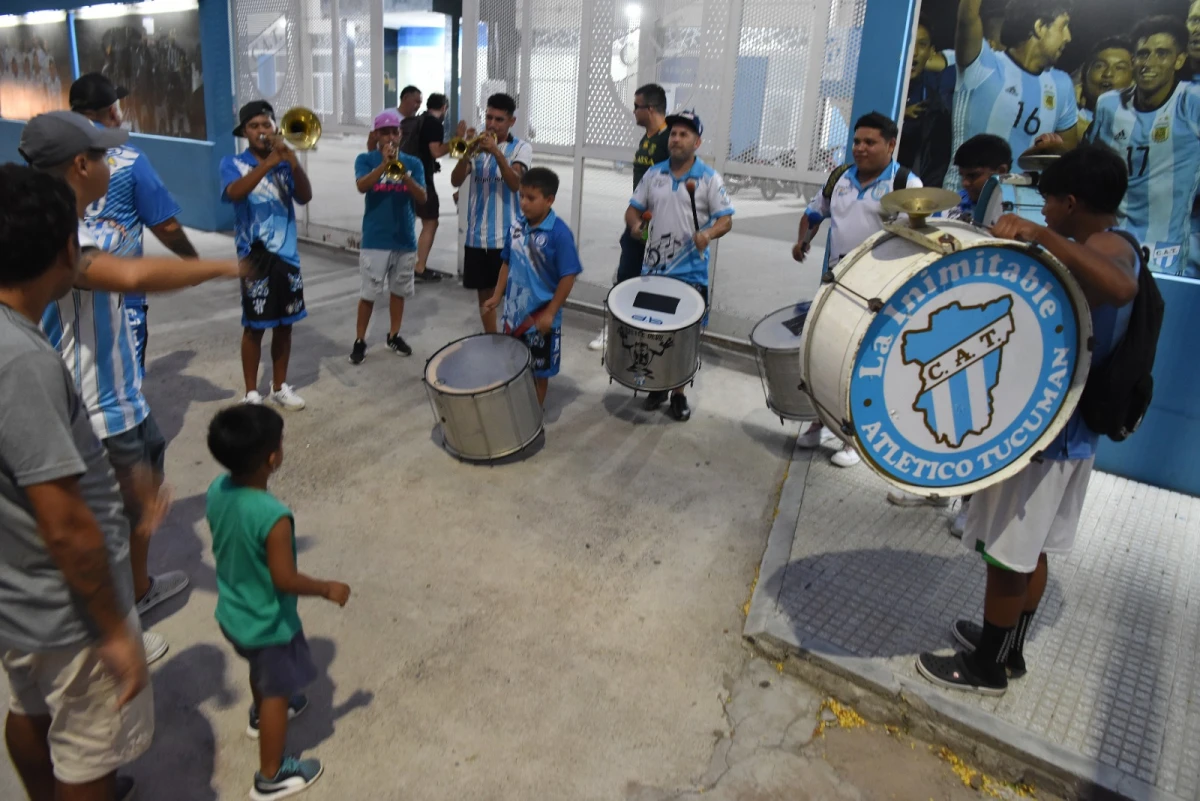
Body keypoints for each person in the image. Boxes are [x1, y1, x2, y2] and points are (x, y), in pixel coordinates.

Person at [916, 143, 1140, 696]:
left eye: (1048, 206)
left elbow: (1121, 286)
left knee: (1006, 556)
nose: (1043, 214)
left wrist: (1043, 238)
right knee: (1025, 550)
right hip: (1063, 432)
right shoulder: (1103, 241)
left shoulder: (1108, 246)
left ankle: (987, 667)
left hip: (1051, 438)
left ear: (1070, 202)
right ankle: (1006, 649)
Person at [21, 110, 243, 666]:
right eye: (101, 155)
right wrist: (223, 269)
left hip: (126, 399)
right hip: (95, 415)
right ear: (79, 165)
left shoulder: (83, 221)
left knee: (140, 517)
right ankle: (113, 627)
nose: (109, 162)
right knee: (107, 532)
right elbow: (133, 277)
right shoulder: (48, 238)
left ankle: (138, 594)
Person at [0, 165, 154, 801]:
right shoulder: (25, 363)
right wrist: (114, 630)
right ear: (67, 249)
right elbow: (64, 523)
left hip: (19, 598)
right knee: (89, 756)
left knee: (30, 709)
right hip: (67, 611)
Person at [205, 404, 351, 799]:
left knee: (262, 672)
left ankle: (260, 714)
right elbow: (284, 579)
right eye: (280, 443)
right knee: (276, 691)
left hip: (234, 615)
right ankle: (271, 774)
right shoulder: (273, 516)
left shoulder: (217, 490)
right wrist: (326, 588)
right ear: (272, 458)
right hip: (267, 625)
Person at [792, 112, 923, 467]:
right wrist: (803, 239)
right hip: (836, 282)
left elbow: (918, 237)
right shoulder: (840, 178)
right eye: (857, 141)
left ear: (890, 145)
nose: (860, 148)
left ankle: (852, 438)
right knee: (822, 352)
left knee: (857, 361)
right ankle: (818, 421)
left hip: (877, 292)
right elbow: (814, 213)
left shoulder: (906, 183)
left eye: (870, 142)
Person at [71, 72, 200, 378]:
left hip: (63, 288)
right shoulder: (130, 159)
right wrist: (193, 262)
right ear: (113, 112)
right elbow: (165, 227)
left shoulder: (51, 157)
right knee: (124, 381)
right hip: (121, 295)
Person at [625, 110, 734, 423]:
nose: (676, 138)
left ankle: (679, 394)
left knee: (686, 339)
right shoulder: (654, 174)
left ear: (697, 142)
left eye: (684, 134)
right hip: (654, 271)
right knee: (653, 332)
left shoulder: (709, 178)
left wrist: (708, 233)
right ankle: (657, 386)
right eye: (673, 133)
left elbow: (726, 219)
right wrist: (635, 227)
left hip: (690, 274)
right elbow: (633, 210)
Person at [1086, 16, 1200, 278]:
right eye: (1142, 54)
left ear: (1179, 60)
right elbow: (1089, 168)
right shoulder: (1109, 105)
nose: (1149, 64)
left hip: (1166, 253)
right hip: (1111, 243)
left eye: (1162, 54)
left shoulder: (1192, 103)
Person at [222, 100, 314, 409]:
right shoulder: (233, 163)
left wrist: (293, 161)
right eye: (254, 126)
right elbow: (234, 193)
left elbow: (305, 196)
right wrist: (268, 164)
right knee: (254, 326)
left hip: (287, 257)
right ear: (245, 132)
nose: (262, 131)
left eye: (266, 125)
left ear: (275, 128)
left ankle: (279, 386)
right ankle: (251, 392)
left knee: (285, 324)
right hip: (255, 257)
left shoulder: (286, 162)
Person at [945, 0, 1079, 191]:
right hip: (963, 203)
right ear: (1040, 27)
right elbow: (968, 17)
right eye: (1063, 26)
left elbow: (1066, 158)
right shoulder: (983, 64)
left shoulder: (1062, 84)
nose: (1068, 37)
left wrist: (1053, 149)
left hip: (1022, 209)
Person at [483, 167, 582, 407]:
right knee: (514, 364)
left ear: (549, 200)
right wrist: (497, 295)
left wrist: (551, 312)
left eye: (531, 198)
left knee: (539, 372)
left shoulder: (559, 234)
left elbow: (568, 276)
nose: (524, 203)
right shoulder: (516, 226)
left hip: (540, 320)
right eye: (521, 196)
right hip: (514, 316)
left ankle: (532, 419)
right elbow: (507, 261)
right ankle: (517, 408)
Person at [589, 83, 671, 350]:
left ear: (649, 108)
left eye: (636, 106)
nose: (633, 111)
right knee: (626, 274)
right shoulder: (647, 138)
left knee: (652, 278)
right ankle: (616, 328)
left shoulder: (668, 139)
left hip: (659, 225)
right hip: (638, 219)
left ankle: (650, 332)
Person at [451, 92, 532, 333]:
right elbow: (456, 180)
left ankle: (513, 343)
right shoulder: (476, 149)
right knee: (484, 294)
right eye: (488, 117)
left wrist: (496, 152)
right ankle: (492, 340)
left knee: (513, 296)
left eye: (499, 119)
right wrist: (466, 151)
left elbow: (515, 183)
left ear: (511, 122)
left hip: (507, 237)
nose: (492, 124)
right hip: (477, 236)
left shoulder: (521, 148)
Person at [350, 110, 427, 363]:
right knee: (369, 293)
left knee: (398, 290)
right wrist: (383, 165)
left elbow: (422, 197)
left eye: (395, 132)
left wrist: (403, 173)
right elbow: (361, 186)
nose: (390, 137)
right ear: (376, 135)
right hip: (376, 238)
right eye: (385, 133)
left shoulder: (413, 163)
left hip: (404, 238)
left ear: (401, 134)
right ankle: (360, 339)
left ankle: (394, 334)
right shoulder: (365, 159)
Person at [403, 92, 451, 282]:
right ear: (444, 107)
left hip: (408, 175)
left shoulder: (420, 119)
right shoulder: (434, 123)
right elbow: (436, 150)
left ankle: (402, 263)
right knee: (431, 221)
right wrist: (454, 143)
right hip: (421, 179)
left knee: (412, 219)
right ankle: (420, 267)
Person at [901, 18, 954, 189]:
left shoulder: (936, 102)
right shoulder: (877, 89)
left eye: (922, 45)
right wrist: (898, 115)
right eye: (909, 42)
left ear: (931, 53)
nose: (914, 52)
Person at [1073, 38, 1134, 141]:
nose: (1108, 73)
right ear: (1084, 73)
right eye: (1099, 66)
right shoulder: (1062, 116)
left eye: (1119, 68)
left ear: (1134, 80)